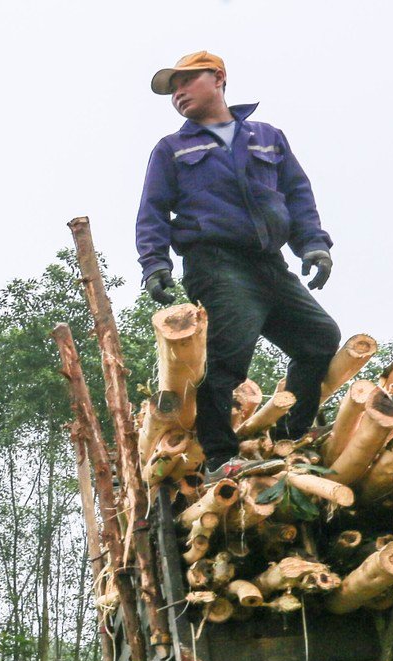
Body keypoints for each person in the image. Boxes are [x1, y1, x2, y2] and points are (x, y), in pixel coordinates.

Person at [134, 50, 342, 481]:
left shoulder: (267, 136)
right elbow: (152, 211)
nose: (178, 94)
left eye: (186, 81)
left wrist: (314, 247)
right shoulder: (172, 149)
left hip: (270, 263)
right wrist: (155, 264)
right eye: (172, 89)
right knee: (228, 356)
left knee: (320, 338)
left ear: (218, 77)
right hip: (214, 262)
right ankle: (219, 457)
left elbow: (298, 196)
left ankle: (287, 436)